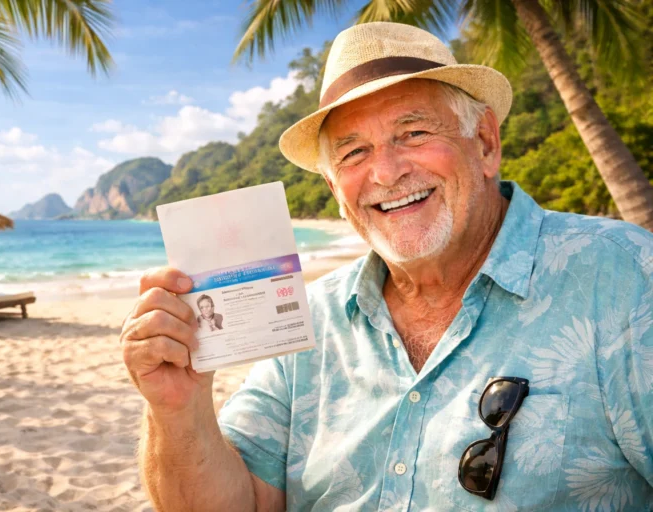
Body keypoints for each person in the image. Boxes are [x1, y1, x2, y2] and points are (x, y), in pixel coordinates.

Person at [120, 22, 653, 511]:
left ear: (486, 143)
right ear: (334, 190)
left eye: (414, 132)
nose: (386, 172)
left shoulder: (624, 279)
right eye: (352, 153)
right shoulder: (309, 322)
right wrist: (177, 411)